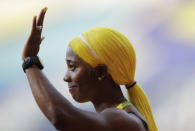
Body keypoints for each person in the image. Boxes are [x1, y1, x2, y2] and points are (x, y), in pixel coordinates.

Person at [22, 7, 158, 131]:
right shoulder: (117, 116)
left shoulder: (122, 120)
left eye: (72, 67)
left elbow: (60, 117)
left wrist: (30, 62)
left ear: (100, 72)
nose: (66, 77)